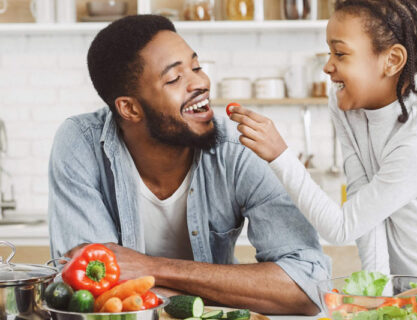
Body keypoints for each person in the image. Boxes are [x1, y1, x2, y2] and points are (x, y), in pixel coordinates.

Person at [47, 14, 331, 315]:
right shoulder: (80, 143)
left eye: (196, 67)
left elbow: (309, 288)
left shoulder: (240, 147)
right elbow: (91, 294)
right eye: (174, 78)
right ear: (129, 108)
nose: (201, 82)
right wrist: (234, 290)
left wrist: (150, 268)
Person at [228, 0, 417, 309]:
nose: (328, 66)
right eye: (329, 51)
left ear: (392, 60)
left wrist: (280, 156)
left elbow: (342, 227)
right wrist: (379, 295)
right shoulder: (347, 106)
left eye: (341, 53)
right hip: (409, 294)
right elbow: (365, 216)